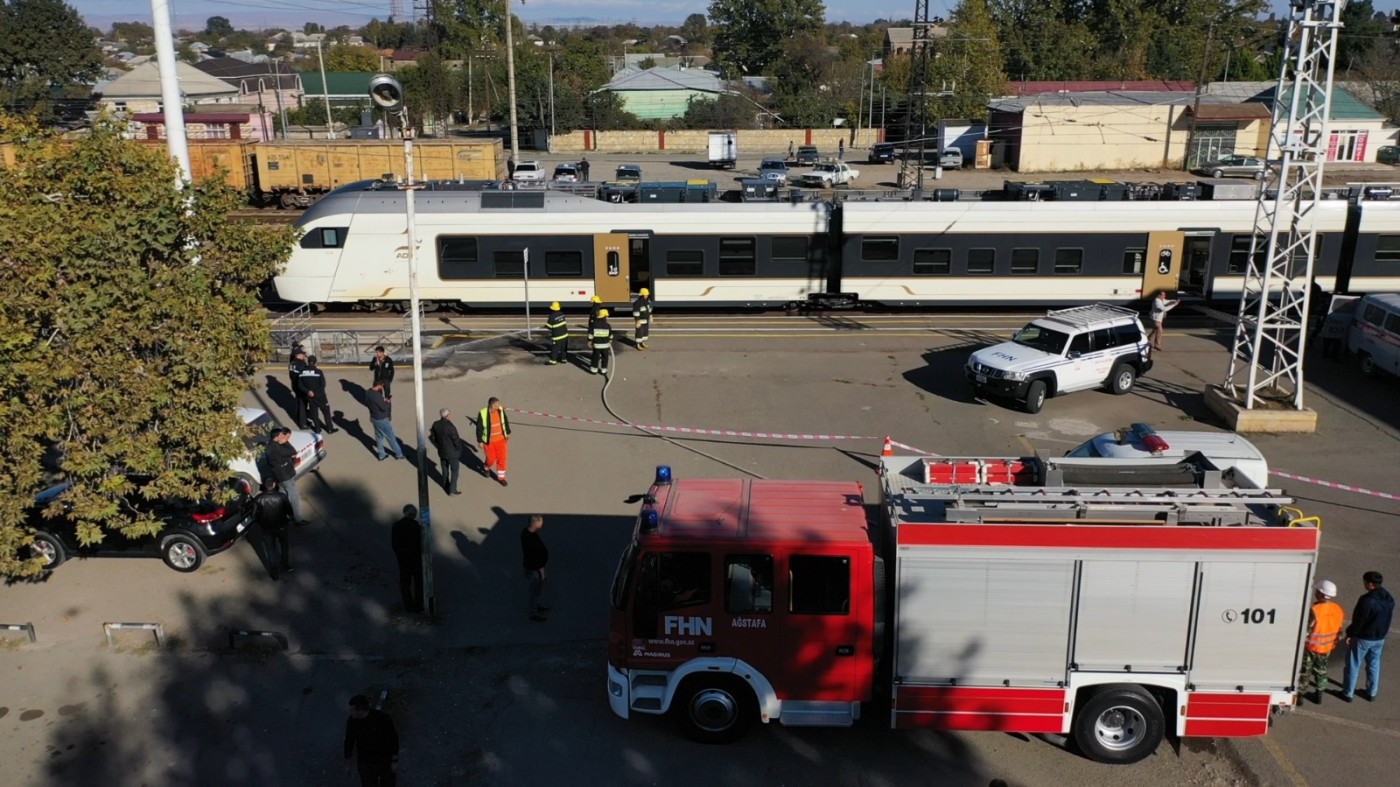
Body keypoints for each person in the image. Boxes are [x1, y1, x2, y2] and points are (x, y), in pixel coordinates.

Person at [1342, 570, 1394, 702]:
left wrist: (1350, 633)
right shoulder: (1388, 598)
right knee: (1374, 664)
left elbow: (1359, 620)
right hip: (1379, 637)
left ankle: (1348, 693)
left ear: (1370, 584)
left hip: (1364, 638)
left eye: (1365, 582)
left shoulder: (1367, 600)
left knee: (1353, 664)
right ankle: (1371, 692)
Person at [1299, 579, 1344, 704]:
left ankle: (1300, 695)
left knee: (1304, 672)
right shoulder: (1337, 609)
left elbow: (1306, 630)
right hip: (1327, 648)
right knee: (1321, 671)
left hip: (1311, 647)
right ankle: (1319, 694)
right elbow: (1339, 630)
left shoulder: (1314, 610)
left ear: (1320, 593)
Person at [344, 695, 399, 787]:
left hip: (384, 760)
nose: (350, 712)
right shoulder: (352, 722)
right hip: (365, 762)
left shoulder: (382, 719)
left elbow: (393, 738)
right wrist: (347, 762)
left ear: (360, 710)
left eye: (352, 710)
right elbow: (349, 741)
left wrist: (395, 760)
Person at [264, 429, 309, 526]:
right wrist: (286, 442)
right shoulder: (277, 448)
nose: (283, 436)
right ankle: (298, 518)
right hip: (286, 475)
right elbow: (292, 452)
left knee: (282, 494)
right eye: (281, 435)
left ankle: (283, 514)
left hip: (279, 475)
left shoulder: (269, 446)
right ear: (276, 437)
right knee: (294, 496)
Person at [253, 478, 295, 579]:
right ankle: (284, 566)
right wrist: (290, 519)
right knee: (284, 545)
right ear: (274, 484)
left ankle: (274, 574)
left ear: (264, 485)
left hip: (267, 528)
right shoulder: (282, 496)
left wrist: (261, 522)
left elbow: (254, 515)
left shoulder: (258, 499)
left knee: (270, 550)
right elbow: (289, 510)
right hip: (281, 526)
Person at [392, 504, 423, 612]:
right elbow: (422, 544)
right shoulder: (417, 527)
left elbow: (394, 544)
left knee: (405, 582)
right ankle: (419, 605)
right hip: (416, 559)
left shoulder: (396, 526)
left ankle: (408, 606)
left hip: (403, 559)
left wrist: (400, 556)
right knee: (418, 582)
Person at [476, 396, 511, 486]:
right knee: (491, 459)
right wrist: (480, 440)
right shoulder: (483, 413)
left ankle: (501, 478)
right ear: (491, 405)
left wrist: (508, 432)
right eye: (496, 404)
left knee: (502, 459)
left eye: (498, 403)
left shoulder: (500, 410)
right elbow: (479, 428)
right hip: (489, 442)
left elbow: (505, 421)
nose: (499, 405)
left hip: (501, 440)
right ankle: (486, 467)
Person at [521, 514, 550, 622]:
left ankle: (536, 605)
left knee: (538, 588)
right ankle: (533, 612)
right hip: (534, 568)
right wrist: (540, 568)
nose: (542, 524)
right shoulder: (529, 538)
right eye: (541, 522)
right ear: (536, 523)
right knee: (534, 590)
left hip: (536, 567)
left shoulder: (528, 532)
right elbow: (532, 556)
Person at [429, 408, 464, 495]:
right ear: (448, 415)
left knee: (445, 470)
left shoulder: (436, 424)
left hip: (442, 452)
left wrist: (438, 445)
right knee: (455, 471)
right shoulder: (451, 427)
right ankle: (452, 489)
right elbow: (456, 440)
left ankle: (445, 485)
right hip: (452, 454)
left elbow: (432, 437)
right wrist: (459, 449)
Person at [298, 355, 337, 433]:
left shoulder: (302, 372)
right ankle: (329, 428)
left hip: (310, 396)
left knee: (314, 413)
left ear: (308, 362)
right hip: (320, 396)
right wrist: (315, 392)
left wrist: (308, 391)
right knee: (326, 412)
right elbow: (322, 385)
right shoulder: (318, 372)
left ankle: (318, 429)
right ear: (315, 362)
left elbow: (300, 385)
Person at [366, 383, 404, 461]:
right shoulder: (377, 396)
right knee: (391, 437)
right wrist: (388, 402)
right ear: (379, 385)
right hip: (382, 419)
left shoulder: (368, 392)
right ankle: (399, 454)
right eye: (381, 385)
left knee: (379, 437)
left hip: (374, 418)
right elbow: (384, 408)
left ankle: (381, 455)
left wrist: (382, 401)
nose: (382, 387)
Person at [288, 345, 309, 428]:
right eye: (302, 354)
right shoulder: (300, 364)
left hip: (296, 386)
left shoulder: (293, 363)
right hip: (301, 387)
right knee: (302, 405)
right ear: (298, 355)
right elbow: (302, 376)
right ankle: (303, 423)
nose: (304, 355)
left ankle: (302, 420)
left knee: (301, 404)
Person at [590, 308, 614, 375]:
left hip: (597, 345)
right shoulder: (607, 325)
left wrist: (590, 341)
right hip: (605, 345)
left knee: (595, 357)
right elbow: (611, 335)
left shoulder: (594, 324)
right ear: (604, 316)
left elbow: (590, 335)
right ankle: (604, 370)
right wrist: (610, 340)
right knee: (605, 358)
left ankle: (594, 370)